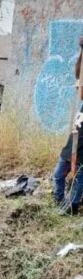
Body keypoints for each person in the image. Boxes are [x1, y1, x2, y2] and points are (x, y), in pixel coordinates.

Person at [54, 37, 83, 214]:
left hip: (81, 149)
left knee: (79, 175)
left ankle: (71, 207)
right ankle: (59, 202)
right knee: (58, 174)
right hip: (73, 141)